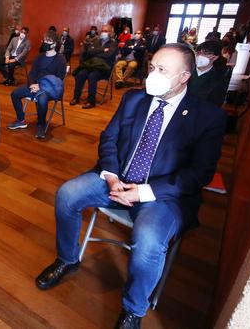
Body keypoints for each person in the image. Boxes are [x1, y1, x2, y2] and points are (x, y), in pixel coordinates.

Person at [35, 43, 226, 329]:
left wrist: (143, 192)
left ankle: (133, 309)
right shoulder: (134, 100)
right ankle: (67, 258)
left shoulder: (208, 117)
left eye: (163, 70)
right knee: (67, 194)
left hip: (162, 195)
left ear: (184, 77)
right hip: (117, 177)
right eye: (152, 67)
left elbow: (198, 174)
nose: (153, 74)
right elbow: (109, 138)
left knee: (148, 239)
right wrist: (111, 175)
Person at [6, 31, 67, 139]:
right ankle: (21, 120)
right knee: (15, 94)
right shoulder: (39, 57)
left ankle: (41, 125)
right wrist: (32, 84)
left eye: (48, 41)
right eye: (44, 40)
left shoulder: (60, 60)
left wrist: (41, 87)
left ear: (55, 44)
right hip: (35, 85)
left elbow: (58, 81)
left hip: (50, 88)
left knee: (42, 99)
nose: (45, 43)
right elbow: (32, 73)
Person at [70, 24, 118, 109]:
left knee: (92, 76)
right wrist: (102, 50)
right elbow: (89, 52)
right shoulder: (97, 41)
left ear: (110, 33)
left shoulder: (113, 43)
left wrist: (96, 53)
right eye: (102, 31)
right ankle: (76, 97)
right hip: (92, 65)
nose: (103, 32)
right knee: (81, 74)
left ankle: (91, 101)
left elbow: (109, 55)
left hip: (104, 68)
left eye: (106, 31)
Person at [189, 41, 231, 107]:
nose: (200, 56)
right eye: (199, 53)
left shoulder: (219, 77)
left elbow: (216, 102)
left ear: (215, 57)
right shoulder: (188, 70)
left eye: (205, 54)